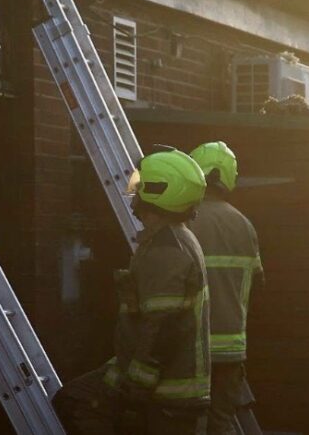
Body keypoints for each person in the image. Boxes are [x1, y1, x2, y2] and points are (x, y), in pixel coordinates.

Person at [55, 149, 211, 434]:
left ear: (160, 191)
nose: (134, 195)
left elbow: (162, 327)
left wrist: (135, 388)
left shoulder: (167, 249)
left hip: (165, 396)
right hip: (165, 387)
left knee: (75, 402)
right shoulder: (172, 240)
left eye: (140, 186)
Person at [186, 141, 263, 434]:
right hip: (231, 348)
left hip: (191, 346)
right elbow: (258, 283)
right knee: (221, 421)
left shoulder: (184, 221)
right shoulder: (244, 224)